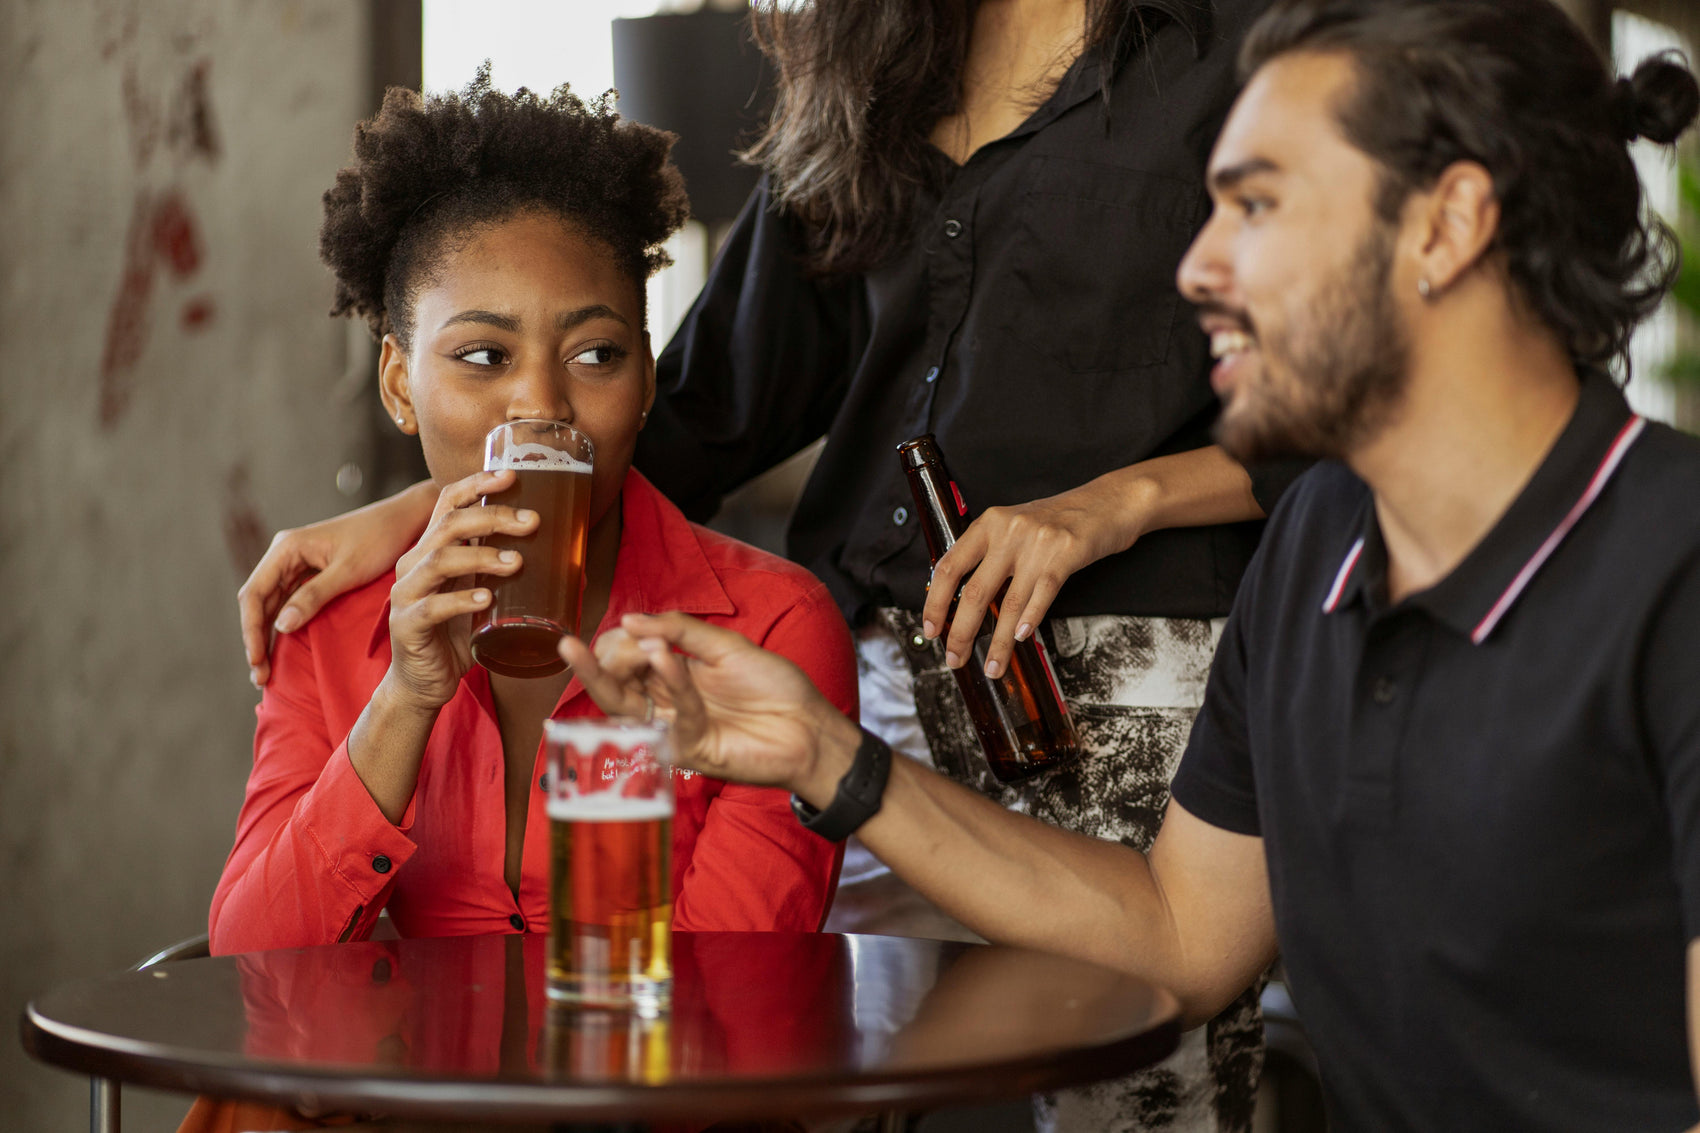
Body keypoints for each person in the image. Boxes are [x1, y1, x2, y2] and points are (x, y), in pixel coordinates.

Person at [557, 0, 1700, 1128]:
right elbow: (1179, 937)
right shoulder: (1312, 568)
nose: (1195, 265)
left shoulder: (1664, 574)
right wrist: (824, 750)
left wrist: (1127, 498)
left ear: (1447, 223)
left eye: (1251, 204)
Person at [237, 3, 1292, 1127]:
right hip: (872, 685)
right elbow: (675, 408)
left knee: (1131, 1091)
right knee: (814, 1086)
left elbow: (1374, 398)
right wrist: (425, 506)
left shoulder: (1246, 40)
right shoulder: (867, 59)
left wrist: (1120, 499)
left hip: (1125, 667)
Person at [208, 72, 855, 960]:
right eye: (483, 355)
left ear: (646, 383)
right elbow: (251, 962)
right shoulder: (328, 623)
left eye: (597, 353)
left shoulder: (772, 631)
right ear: (400, 383)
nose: (541, 408)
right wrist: (404, 699)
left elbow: (735, 1002)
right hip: (392, 1101)